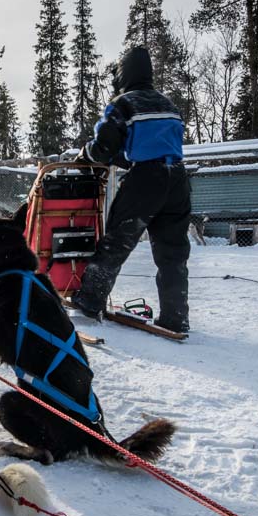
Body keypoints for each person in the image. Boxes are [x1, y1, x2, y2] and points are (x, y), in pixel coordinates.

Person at [72, 46, 191, 333]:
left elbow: (103, 148)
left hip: (146, 181)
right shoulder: (168, 104)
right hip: (177, 179)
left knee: (117, 240)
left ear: (123, 74)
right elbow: (153, 144)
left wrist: (85, 155)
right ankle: (176, 316)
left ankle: (89, 299)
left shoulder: (124, 104)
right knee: (173, 252)